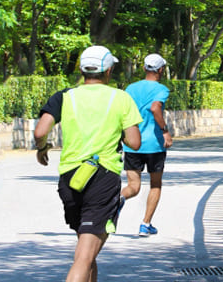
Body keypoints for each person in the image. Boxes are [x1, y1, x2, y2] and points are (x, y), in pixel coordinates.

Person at [34, 45, 143, 282]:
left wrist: (42, 149)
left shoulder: (64, 97)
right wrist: (118, 132)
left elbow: (40, 131)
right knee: (83, 257)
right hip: (102, 179)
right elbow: (134, 142)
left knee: (88, 251)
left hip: (70, 179)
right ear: (108, 71)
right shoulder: (121, 98)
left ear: (82, 70)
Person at [120, 53, 173, 237]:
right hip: (154, 145)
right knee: (155, 184)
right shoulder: (162, 89)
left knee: (133, 186)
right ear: (160, 70)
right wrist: (165, 130)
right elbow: (155, 107)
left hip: (132, 144)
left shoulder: (130, 89)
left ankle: (117, 200)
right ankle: (145, 224)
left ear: (144, 69)